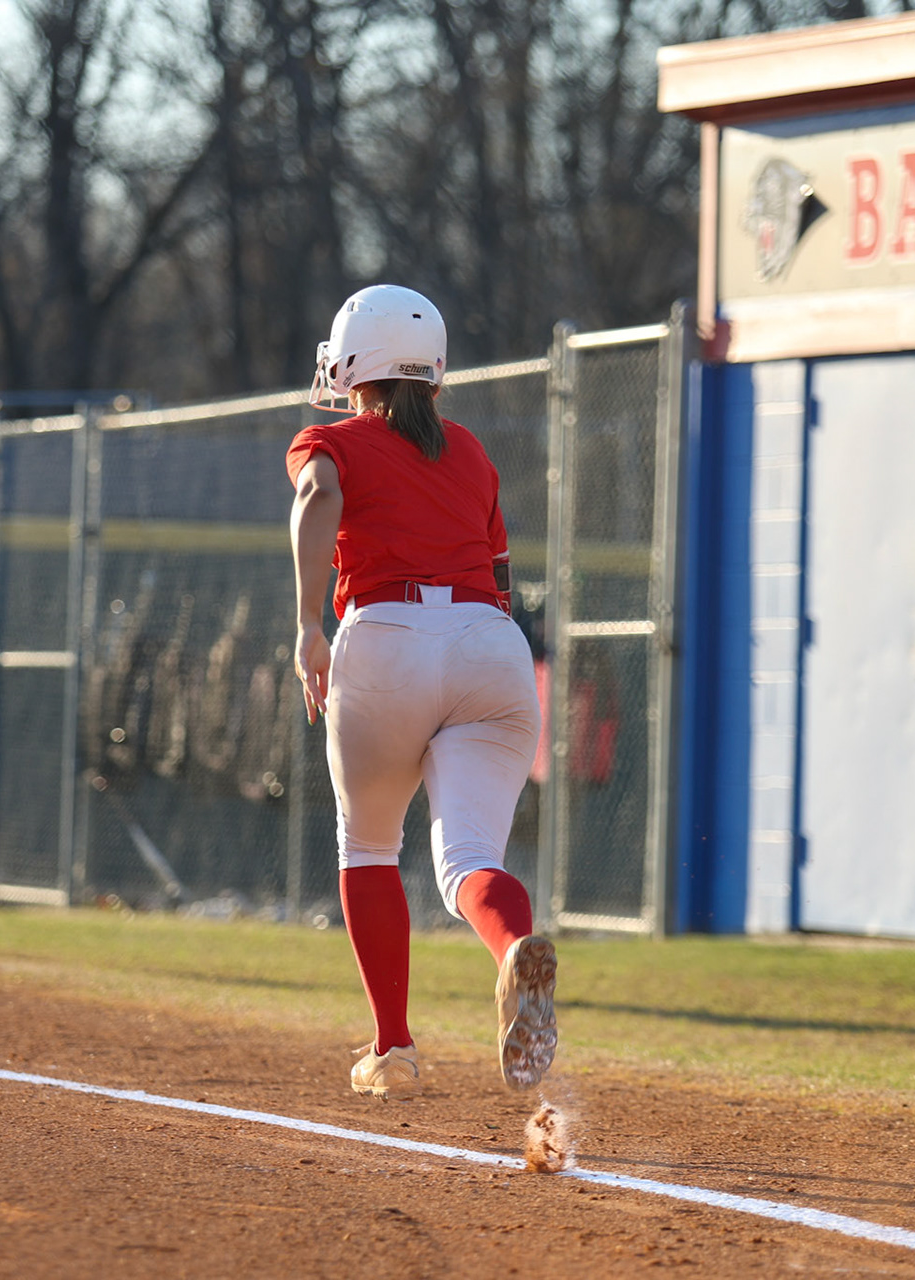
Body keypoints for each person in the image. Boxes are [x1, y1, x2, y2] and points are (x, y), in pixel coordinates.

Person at [287, 284, 556, 1099]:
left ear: (351, 367)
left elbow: (317, 495)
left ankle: (394, 1049)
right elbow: (498, 572)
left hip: (387, 637)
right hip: (489, 644)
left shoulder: (330, 439)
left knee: (369, 844)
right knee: (469, 861)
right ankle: (513, 949)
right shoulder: (470, 450)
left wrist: (306, 625)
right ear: (433, 371)